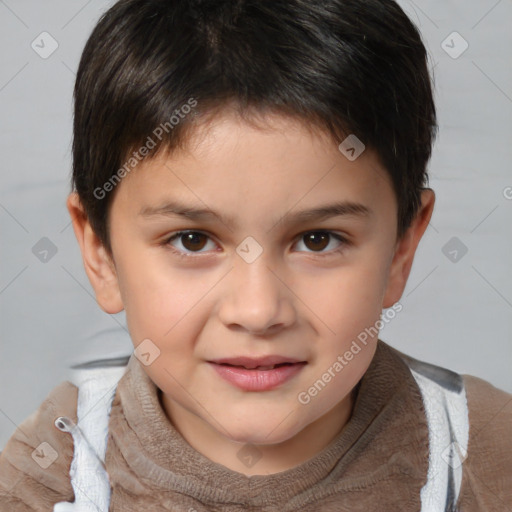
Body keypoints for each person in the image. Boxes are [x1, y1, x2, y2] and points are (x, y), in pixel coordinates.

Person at [1, 0, 510, 510]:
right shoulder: (54, 466)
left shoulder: (485, 455)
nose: (258, 311)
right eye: (193, 240)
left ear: (402, 248)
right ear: (100, 253)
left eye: (318, 240)